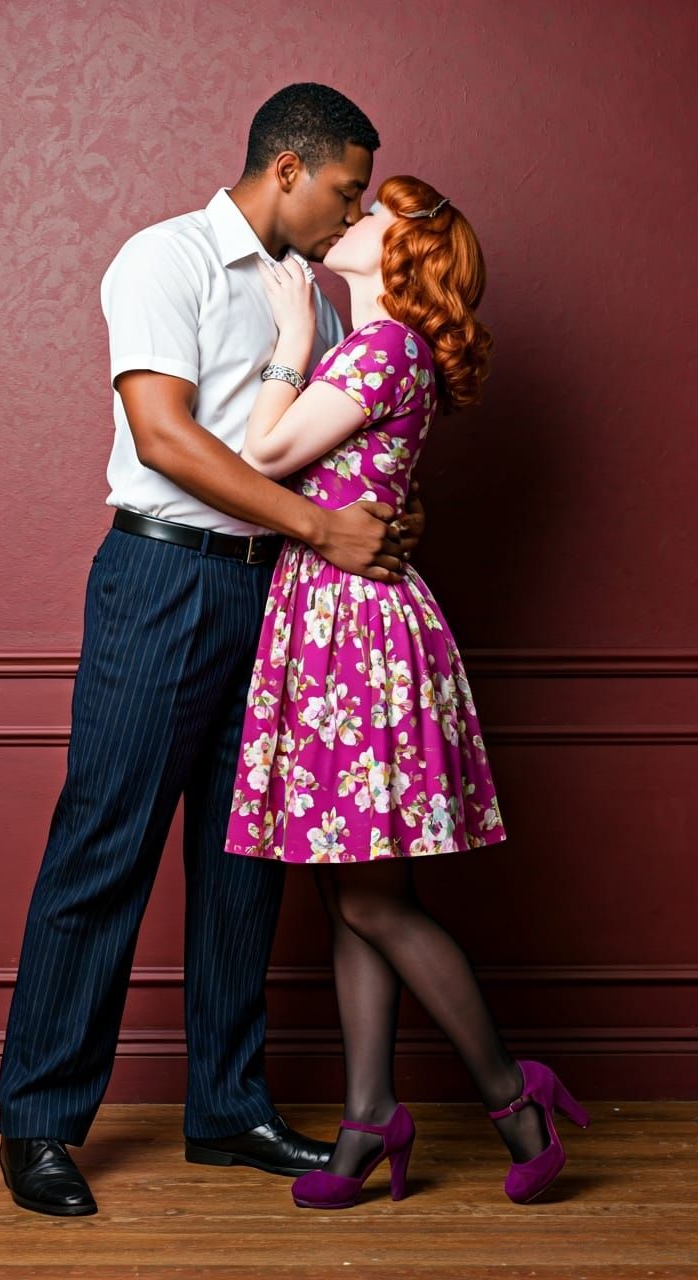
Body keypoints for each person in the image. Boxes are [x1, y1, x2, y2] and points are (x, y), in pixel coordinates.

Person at [0, 84, 426, 1218]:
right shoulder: (165, 257)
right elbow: (165, 436)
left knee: (247, 862)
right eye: (344, 187)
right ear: (288, 168)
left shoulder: (319, 306)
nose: (351, 212)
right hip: (162, 579)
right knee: (105, 843)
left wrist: (370, 516)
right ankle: (38, 1122)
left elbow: (317, 446)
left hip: (280, 596)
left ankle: (228, 1108)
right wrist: (326, 527)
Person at [224, 175, 590, 1210]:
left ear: (405, 253)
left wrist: (288, 339)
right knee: (350, 886)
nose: (355, 219)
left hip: (355, 629)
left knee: (371, 892)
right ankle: (367, 1114)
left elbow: (265, 451)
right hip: (334, 615)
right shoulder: (379, 346)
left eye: (377, 214)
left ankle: (513, 1093)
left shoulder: (376, 347)